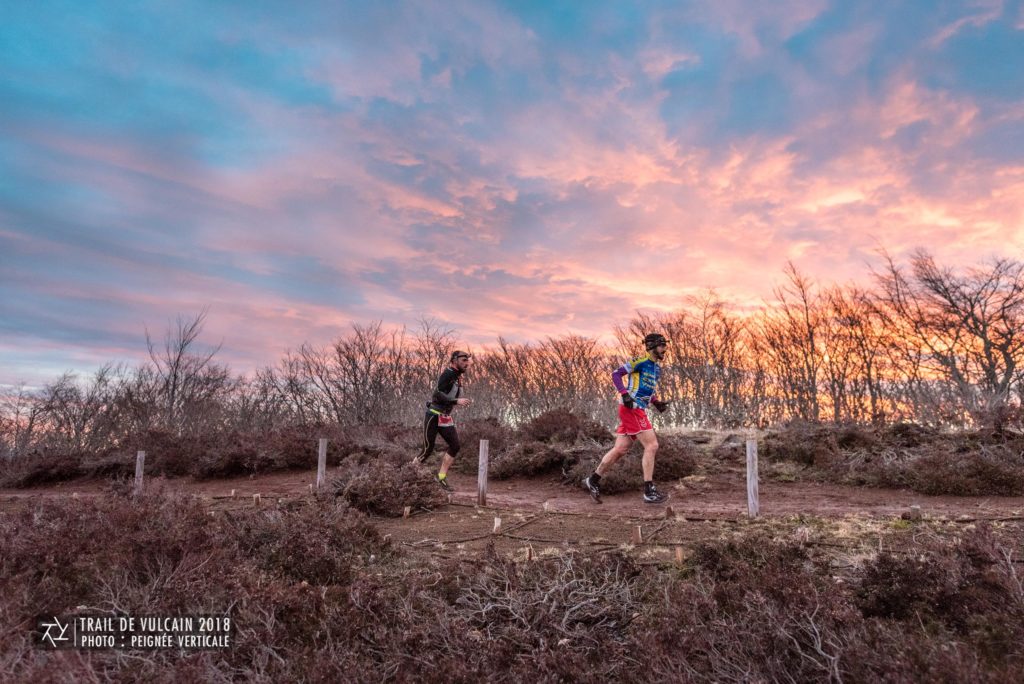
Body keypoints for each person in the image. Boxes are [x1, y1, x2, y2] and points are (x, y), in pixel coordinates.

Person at [584, 333, 671, 504]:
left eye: (664, 346)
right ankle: (649, 491)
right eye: (662, 346)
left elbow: (648, 389)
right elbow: (616, 374)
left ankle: (593, 480)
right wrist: (624, 395)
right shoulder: (639, 362)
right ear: (652, 346)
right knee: (652, 445)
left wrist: (656, 402)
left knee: (620, 449)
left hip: (639, 409)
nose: (664, 349)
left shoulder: (657, 368)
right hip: (631, 409)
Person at [412, 350, 472, 491]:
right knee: (427, 449)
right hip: (433, 415)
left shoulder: (457, 376)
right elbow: (438, 394)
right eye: (463, 360)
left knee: (455, 446)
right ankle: (407, 474)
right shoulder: (448, 373)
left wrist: (455, 402)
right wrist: (456, 400)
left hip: (444, 417)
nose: (466, 363)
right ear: (454, 360)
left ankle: (441, 477)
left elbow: (447, 396)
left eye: (467, 360)